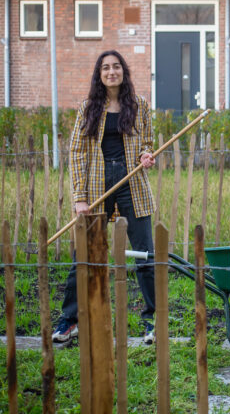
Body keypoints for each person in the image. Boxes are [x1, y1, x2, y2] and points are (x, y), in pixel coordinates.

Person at [52, 50, 157, 345]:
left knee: (145, 255)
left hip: (131, 182)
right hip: (97, 185)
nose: (112, 72)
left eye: (116, 66)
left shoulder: (139, 106)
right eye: (106, 68)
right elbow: (77, 152)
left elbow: (147, 143)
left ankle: (152, 321)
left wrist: (146, 155)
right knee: (83, 256)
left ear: (124, 71)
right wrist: (79, 197)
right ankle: (69, 321)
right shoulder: (89, 108)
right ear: (99, 74)